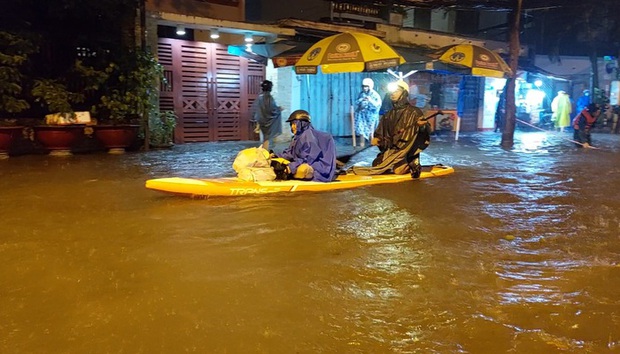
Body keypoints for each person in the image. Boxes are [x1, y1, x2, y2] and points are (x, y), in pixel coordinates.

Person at [351, 80, 431, 178]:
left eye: (396, 91)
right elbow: (381, 132)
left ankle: (412, 162)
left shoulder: (414, 112)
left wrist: (422, 126)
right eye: (392, 92)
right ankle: (392, 161)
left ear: (404, 93)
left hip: (405, 150)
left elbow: (425, 133)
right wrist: (378, 139)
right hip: (392, 149)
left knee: (398, 171)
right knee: (376, 164)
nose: (393, 94)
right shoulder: (388, 115)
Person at [273, 110, 337, 182]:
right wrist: (275, 155)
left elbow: (309, 159)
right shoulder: (297, 137)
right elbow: (290, 153)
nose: (292, 127)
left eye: (294, 124)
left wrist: (290, 167)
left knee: (303, 170)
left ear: (302, 124)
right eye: (291, 124)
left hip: (317, 168)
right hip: (302, 162)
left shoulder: (308, 135)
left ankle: (289, 174)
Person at [253, 80, 282, 149]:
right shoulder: (269, 97)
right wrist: (279, 109)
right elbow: (271, 109)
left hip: (262, 120)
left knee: (265, 138)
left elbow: (258, 109)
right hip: (269, 121)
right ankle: (265, 153)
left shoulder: (260, 97)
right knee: (268, 139)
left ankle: (264, 152)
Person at [354, 78, 382, 147]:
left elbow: (377, 105)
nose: (364, 88)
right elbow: (356, 102)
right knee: (361, 131)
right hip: (361, 115)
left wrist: (370, 100)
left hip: (371, 116)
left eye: (366, 86)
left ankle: (372, 144)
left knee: (370, 131)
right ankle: (361, 145)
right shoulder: (361, 94)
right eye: (363, 86)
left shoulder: (375, 95)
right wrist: (361, 100)